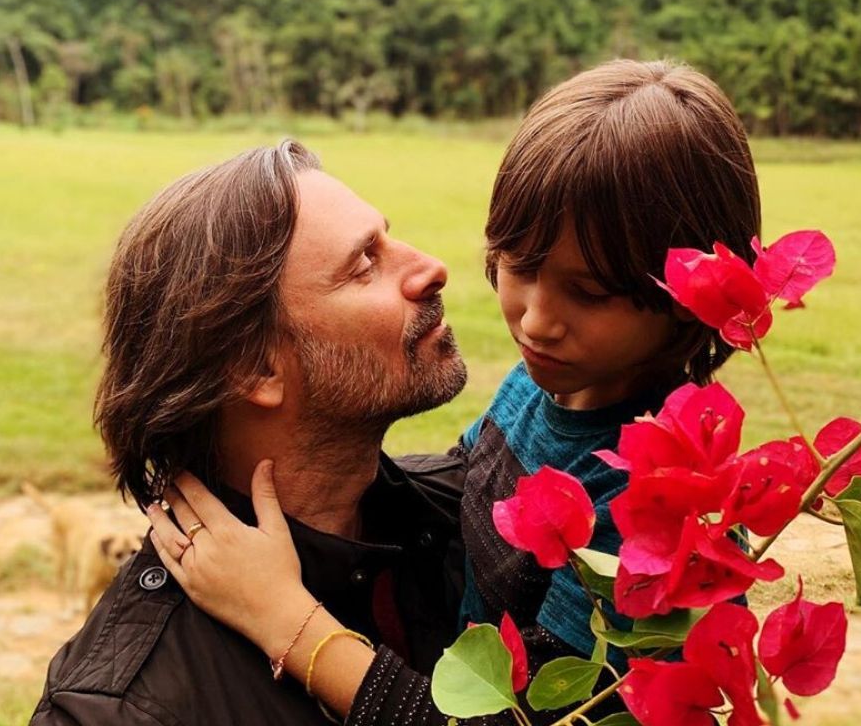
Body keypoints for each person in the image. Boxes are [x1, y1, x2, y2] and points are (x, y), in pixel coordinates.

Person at [146, 59, 764, 725]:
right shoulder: (540, 388)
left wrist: (284, 618)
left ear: (687, 301)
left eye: (587, 293)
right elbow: (468, 482)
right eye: (519, 266)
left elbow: (515, 720)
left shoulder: (649, 496)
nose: (535, 321)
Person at [30, 140, 471, 725]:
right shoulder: (121, 713)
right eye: (365, 264)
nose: (431, 268)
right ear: (254, 367)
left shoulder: (481, 516)